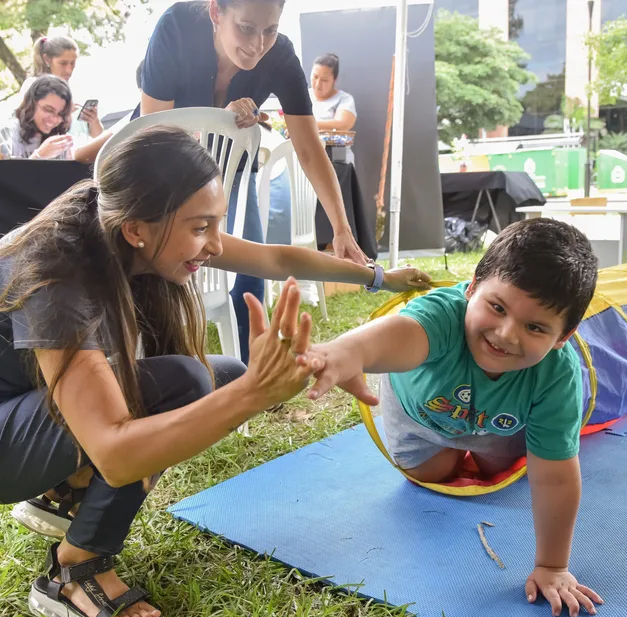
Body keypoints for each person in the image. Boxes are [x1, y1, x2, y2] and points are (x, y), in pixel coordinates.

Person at [0, 125, 430, 617]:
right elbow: (118, 453)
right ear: (138, 228)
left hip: (35, 415)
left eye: (218, 224)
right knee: (190, 383)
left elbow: (275, 259)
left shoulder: (123, 220)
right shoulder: (58, 275)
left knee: (219, 376)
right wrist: (256, 393)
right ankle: (74, 570)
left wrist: (380, 278)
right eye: (201, 227)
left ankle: (64, 489)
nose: (213, 245)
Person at [302, 219, 603, 617]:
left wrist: (552, 565)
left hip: (496, 426)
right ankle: (448, 451)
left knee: (500, 468)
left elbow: (556, 474)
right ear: (473, 286)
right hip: (417, 418)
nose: (506, 334)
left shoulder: (558, 374)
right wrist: (346, 353)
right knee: (434, 472)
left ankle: (483, 452)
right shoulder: (442, 315)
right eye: (497, 307)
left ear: (564, 336)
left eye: (535, 327)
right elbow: (397, 335)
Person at [139, 0, 370, 361]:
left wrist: (341, 228)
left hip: (230, 169)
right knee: (159, 269)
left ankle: (252, 366)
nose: (258, 44)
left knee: (252, 269)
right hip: (163, 168)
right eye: (246, 28)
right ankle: (161, 359)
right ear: (216, 12)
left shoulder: (280, 55)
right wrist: (217, 123)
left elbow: (309, 148)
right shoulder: (177, 27)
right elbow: (153, 132)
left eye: (270, 30)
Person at [23, 35, 104, 141]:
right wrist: (63, 113)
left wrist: (93, 121)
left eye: (72, 63)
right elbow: (27, 126)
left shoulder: (78, 88)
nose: (69, 70)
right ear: (47, 59)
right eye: (63, 63)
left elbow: (98, 137)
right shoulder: (33, 86)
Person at [0, 75, 74, 160]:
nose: (54, 119)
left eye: (61, 114)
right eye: (48, 110)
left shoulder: (60, 140)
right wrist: (39, 156)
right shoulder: (7, 134)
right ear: (32, 103)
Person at [310, 53, 357, 132]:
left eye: (324, 80)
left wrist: (307, 125)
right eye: (315, 77)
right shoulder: (303, 96)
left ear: (334, 80)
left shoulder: (344, 99)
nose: (318, 84)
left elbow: (343, 124)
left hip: (328, 144)